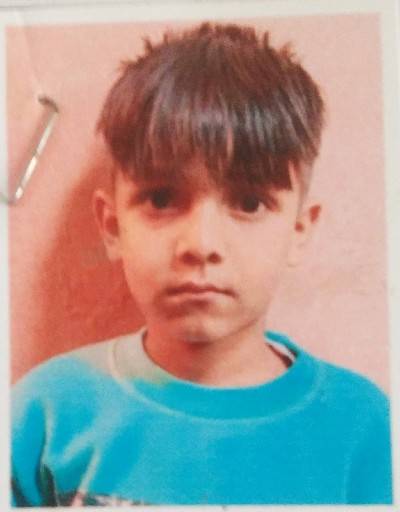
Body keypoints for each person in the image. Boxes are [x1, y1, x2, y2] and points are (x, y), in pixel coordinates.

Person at [11, 22, 392, 506]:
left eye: (249, 203)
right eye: (161, 198)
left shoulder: (364, 430)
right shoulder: (44, 415)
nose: (201, 244)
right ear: (112, 226)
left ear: (298, 230)